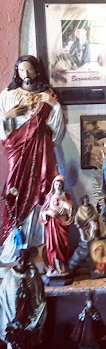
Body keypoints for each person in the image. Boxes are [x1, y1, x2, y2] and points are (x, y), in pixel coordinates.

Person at [0, 55, 65, 262]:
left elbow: (57, 128)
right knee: (15, 189)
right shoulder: (8, 95)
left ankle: (38, 245)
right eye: (21, 71)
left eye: (29, 70)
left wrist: (54, 105)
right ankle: (14, 246)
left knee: (41, 188)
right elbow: (2, 129)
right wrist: (8, 116)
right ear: (16, 73)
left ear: (37, 71)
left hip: (41, 149)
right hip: (17, 150)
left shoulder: (46, 95)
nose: (26, 74)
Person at [0, 248, 47, 349]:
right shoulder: (9, 277)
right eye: (20, 259)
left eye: (25, 259)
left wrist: (34, 320)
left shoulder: (33, 276)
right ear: (16, 259)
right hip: (14, 319)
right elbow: (4, 299)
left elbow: (39, 298)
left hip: (30, 319)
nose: (22, 262)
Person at [39, 175, 74, 277]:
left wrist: (67, 208)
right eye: (56, 184)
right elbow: (42, 212)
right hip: (52, 225)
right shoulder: (49, 197)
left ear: (63, 186)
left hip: (62, 224)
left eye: (60, 184)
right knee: (53, 246)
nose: (58, 186)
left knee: (63, 245)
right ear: (53, 185)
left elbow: (71, 211)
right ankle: (54, 267)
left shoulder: (66, 196)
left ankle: (63, 267)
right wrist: (48, 213)